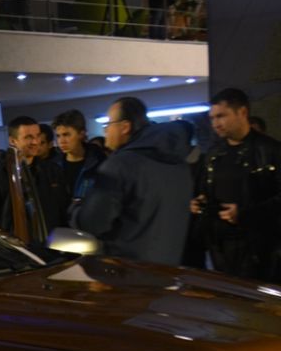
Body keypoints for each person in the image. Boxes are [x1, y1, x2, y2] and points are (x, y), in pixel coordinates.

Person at [75, 96, 193, 264]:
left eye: (108, 124)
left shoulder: (119, 165)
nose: (105, 131)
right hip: (168, 268)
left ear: (125, 127)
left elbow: (93, 223)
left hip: (128, 270)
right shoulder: (179, 164)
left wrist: (76, 210)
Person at [189, 88, 281, 279]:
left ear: (242, 112)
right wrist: (198, 203)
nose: (215, 124)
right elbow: (205, 190)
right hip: (218, 247)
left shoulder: (270, 151)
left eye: (221, 116)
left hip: (259, 248)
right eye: (212, 118)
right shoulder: (213, 155)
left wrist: (246, 214)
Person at [0, 114, 68, 243]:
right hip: (14, 248)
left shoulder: (52, 171)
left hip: (50, 246)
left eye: (37, 136)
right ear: (13, 141)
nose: (35, 142)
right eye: (28, 137)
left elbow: (62, 211)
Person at [51, 109, 105, 220]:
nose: (61, 141)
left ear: (81, 133)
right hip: (63, 225)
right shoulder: (53, 166)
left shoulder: (99, 162)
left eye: (66, 135)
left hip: (91, 222)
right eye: (58, 136)